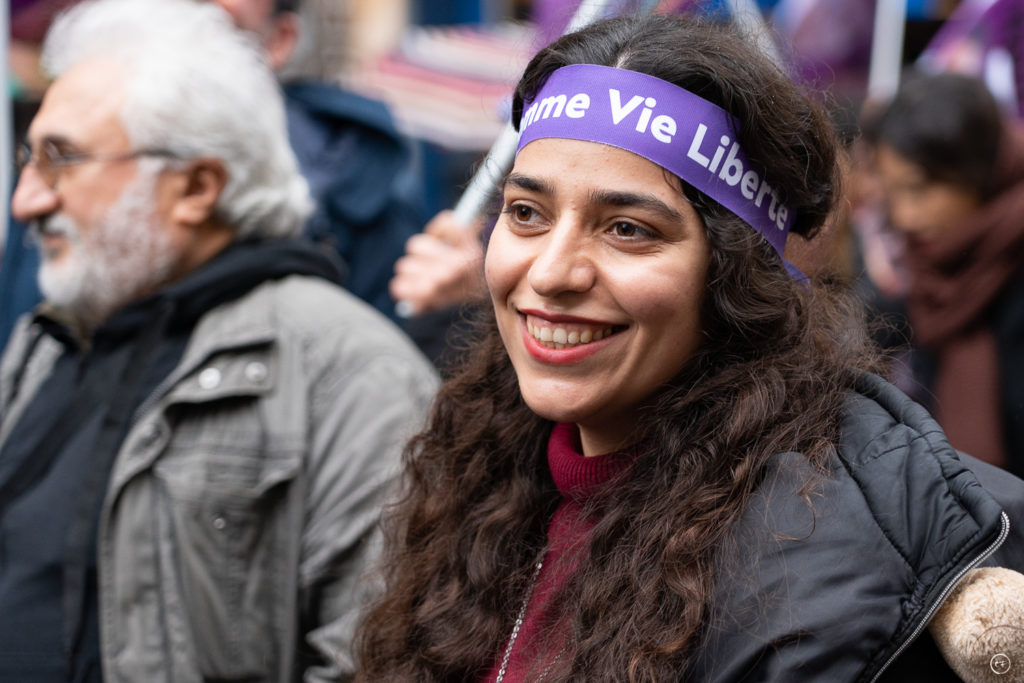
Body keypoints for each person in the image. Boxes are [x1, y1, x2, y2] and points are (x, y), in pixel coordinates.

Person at [355, 14, 1024, 682]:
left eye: (626, 228)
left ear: (733, 274)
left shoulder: (807, 566)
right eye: (527, 212)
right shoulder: (485, 468)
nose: (553, 271)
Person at [0, 0, 438, 681]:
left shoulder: (355, 376)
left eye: (62, 158)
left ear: (196, 186)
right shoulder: (52, 337)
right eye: (31, 156)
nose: (27, 199)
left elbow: (375, 660)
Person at [211, 0, 427, 324]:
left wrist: (442, 310)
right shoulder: (116, 147)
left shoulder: (360, 179)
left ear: (279, 39)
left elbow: (392, 345)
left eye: (218, 30)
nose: (190, 46)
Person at [868, 71, 1024, 478]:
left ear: (978, 171)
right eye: (893, 193)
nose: (904, 216)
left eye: (919, 189)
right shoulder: (926, 277)